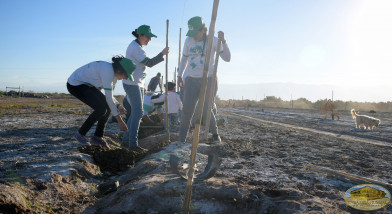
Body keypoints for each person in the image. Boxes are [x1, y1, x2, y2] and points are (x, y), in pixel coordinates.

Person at [177, 16, 231, 143]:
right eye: (191, 33)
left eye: (195, 32)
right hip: (191, 80)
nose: (193, 36)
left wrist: (223, 41)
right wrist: (179, 75)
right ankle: (181, 139)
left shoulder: (213, 40)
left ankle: (215, 134)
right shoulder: (188, 41)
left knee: (207, 108)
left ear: (203, 30)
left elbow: (227, 58)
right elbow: (184, 59)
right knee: (187, 111)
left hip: (209, 79)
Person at [67, 56, 135, 148]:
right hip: (76, 84)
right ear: (120, 70)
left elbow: (109, 96)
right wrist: (120, 120)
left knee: (107, 107)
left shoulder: (114, 76)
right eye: (126, 75)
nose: (126, 78)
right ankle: (80, 134)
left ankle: (98, 137)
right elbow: (109, 98)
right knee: (101, 109)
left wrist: (118, 105)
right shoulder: (108, 71)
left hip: (88, 85)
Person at [123, 24, 169, 152]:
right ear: (140, 35)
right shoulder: (136, 48)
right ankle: (133, 144)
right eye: (148, 37)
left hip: (137, 84)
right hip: (132, 84)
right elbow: (149, 63)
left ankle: (126, 141)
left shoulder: (137, 46)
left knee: (134, 114)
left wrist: (142, 85)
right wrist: (162, 54)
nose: (150, 39)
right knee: (138, 113)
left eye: (150, 37)